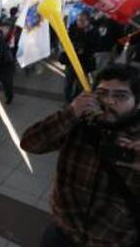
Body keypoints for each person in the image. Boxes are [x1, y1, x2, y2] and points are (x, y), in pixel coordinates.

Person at [20, 65, 140, 247]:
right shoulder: (79, 123)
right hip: (62, 234)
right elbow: (30, 143)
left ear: (137, 102)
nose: (108, 101)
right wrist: (71, 112)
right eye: (102, 93)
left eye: (120, 96)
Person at [60, 11, 99, 103]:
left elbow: (97, 46)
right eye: (78, 20)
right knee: (68, 84)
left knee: (80, 85)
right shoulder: (73, 28)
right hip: (71, 62)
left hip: (85, 62)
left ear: (88, 21)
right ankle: (67, 102)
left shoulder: (93, 31)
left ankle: (76, 101)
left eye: (82, 20)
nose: (79, 22)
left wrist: (85, 46)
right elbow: (66, 41)